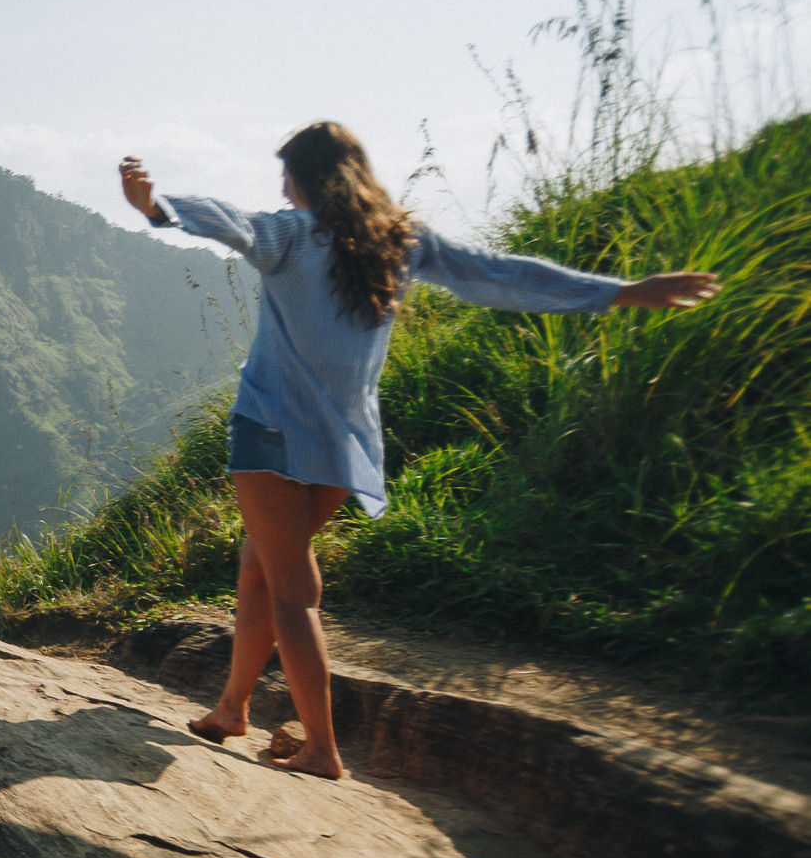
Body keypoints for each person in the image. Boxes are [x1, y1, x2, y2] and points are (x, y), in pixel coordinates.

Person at [117, 122, 719, 779]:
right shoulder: (399, 243)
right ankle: (232, 707)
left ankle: (321, 747)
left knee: (292, 586)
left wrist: (158, 208)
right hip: (344, 445)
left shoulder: (291, 235)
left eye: (287, 174)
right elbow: (498, 275)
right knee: (259, 564)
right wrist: (616, 292)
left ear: (311, 178)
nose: (280, 188)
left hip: (271, 432)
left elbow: (233, 223)